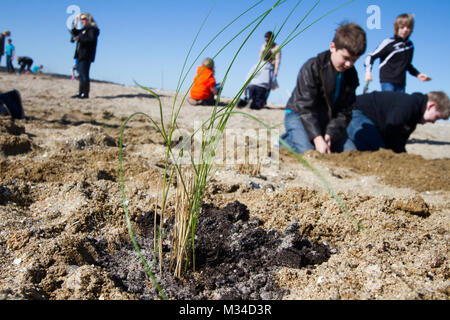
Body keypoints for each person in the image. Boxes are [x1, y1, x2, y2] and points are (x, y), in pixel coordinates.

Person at [280, 22, 367, 154]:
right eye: (346, 58)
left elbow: (345, 112)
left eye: (354, 60)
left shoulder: (352, 76)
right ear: (333, 47)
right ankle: (286, 140)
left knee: (350, 153)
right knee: (309, 152)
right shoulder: (312, 66)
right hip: (298, 116)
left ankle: (308, 138)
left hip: (326, 123)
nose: (349, 64)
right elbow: (304, 107)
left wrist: (330, 134)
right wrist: (317, 138)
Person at [346, 91, 450, 153]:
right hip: (354, 111)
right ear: (431, 106)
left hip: (371, 122)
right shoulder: (409, 104)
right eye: (437, 117)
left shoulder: (413, 118)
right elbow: (391, 131)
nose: (433, 122)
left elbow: (399, 144)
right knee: (376, 151)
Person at [365, 13, 430, 93]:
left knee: (400, 105)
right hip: (387, 82)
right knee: (388, 104)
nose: (405, 30)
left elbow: (407, 65)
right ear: (397, 28)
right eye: (402, 27)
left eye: (408, 27)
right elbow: (371, 56)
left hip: (401, 84)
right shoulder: (388, 42)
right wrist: (368, 72)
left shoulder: (410, 46)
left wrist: (418, 74)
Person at [71, 13, 100, 99]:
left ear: (88, 19)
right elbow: (74, 33)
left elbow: (91, 40)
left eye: (83, 19)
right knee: (80, 74)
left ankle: (85, 93)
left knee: (84, 74)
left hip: (86, 54)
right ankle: (80, 93)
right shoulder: (83, 30)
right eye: (81, 19)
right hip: (79, 54)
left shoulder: (92, 29)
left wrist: (80, 39)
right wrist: (75, 22)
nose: (82, 21)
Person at [258, 31, 281, 104]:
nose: (266, 41)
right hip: (262, 67)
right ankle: (259, 99)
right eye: (265, 40)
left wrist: (276, 71)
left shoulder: (277, 47)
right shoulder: (263, 46)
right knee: (260, 83)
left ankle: (264, 101)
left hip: (271, 68)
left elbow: (278, 60)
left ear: (271, 39)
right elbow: (260, 57)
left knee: (269, 85)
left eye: (268, 40)